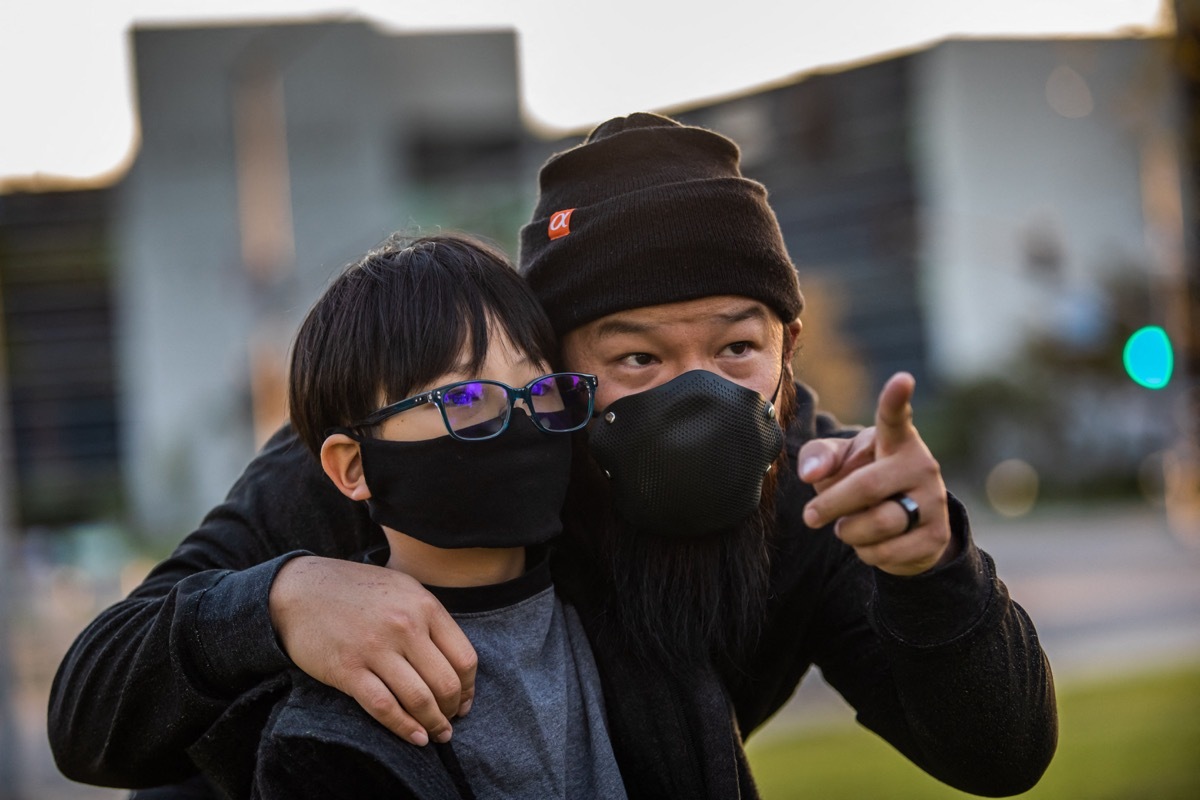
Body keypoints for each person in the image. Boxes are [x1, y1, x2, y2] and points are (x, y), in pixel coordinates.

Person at [49, 113, 1057, 799]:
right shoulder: (415, 455)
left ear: (789, 351)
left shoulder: (824, 486)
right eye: (636, 356)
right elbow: (90, 712)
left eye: (736, 345)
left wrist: (935, 572)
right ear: (550, 364)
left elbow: (1001, 755)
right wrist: (280, 599)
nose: (694, 389)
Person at [188, 231, 622, 799]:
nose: (521, 416)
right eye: (465, 400)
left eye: (539, 387)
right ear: (353, 467)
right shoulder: (319, 744)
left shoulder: (630, 621)